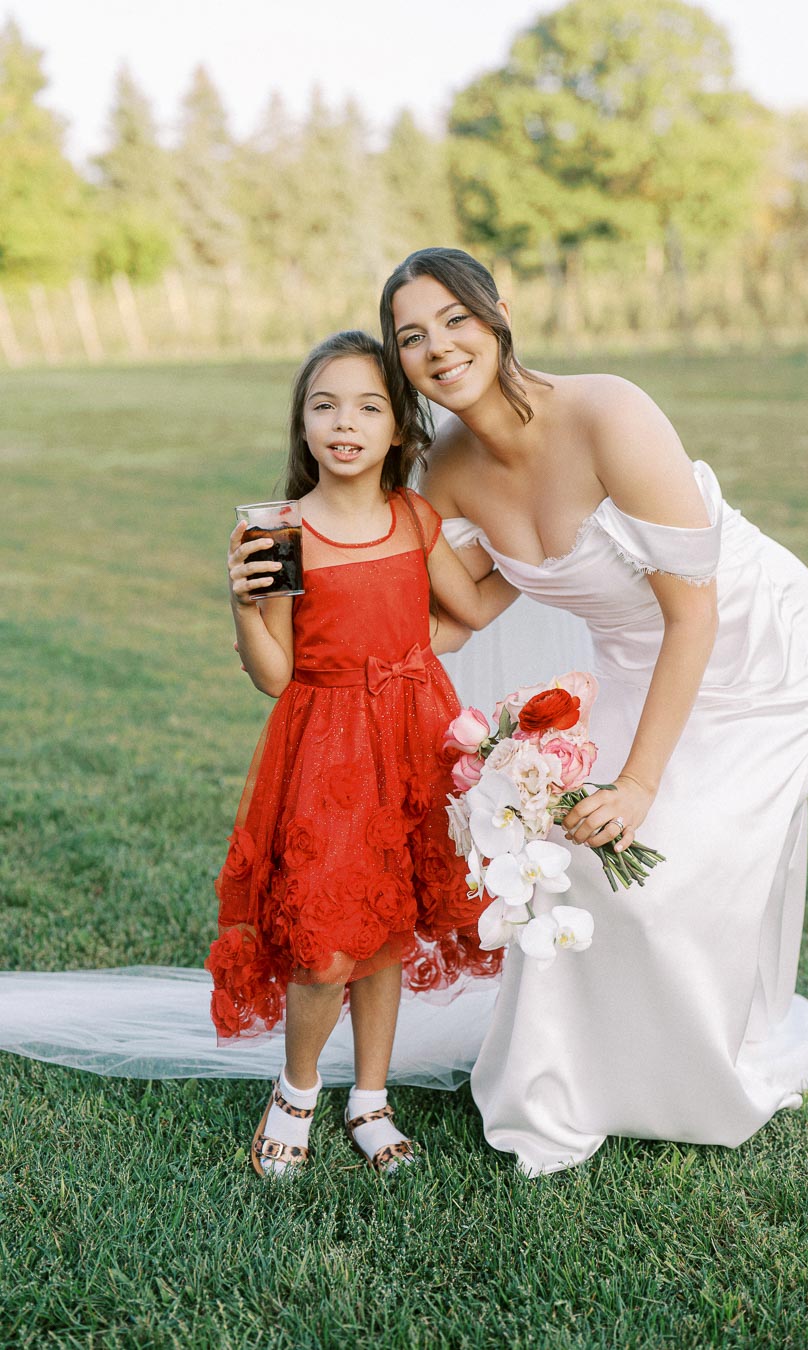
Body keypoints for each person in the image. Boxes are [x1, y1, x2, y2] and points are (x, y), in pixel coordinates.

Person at [379, 248, 808, 1177]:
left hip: (757, 652)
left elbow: (695, 611)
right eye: (411, 337)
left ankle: (696, 1070)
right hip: (639, 661)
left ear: (499, 314)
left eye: (455, 320)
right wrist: (335, 573)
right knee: (579, 860)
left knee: (678, 861)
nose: (438, 348)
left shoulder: (607, 413)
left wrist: (640, 782)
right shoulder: (448, 471)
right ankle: (569, 1086)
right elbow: (467, 610)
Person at [209, 328, 517, 1176]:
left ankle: (370, 1098)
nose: (346, 422)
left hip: (415, 739)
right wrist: (242, 607)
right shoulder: (280, 532)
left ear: (399, 430)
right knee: (323, 942)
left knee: (391, 927)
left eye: (369, 406)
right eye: (325, 405)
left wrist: (551, 552)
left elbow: (473, 609)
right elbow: (275, 676)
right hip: (326, 752)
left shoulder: (414, 517)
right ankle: (297, 1089)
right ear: (303, 426)